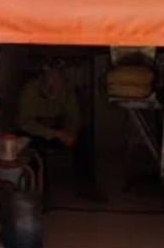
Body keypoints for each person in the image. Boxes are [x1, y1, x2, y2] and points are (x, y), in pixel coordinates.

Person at [16, 59, 102, 204]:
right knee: (34, 147)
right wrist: (56, 134)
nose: (54, 81)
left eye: (58, 77)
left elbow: (74, 117)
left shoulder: (67, 90)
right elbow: (25, 123)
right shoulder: (30, 90)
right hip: (36, 130)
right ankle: (42, 193)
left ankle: (86, 185)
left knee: (84, 137)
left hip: (58, 126)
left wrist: (71, 133)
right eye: (51, 76)